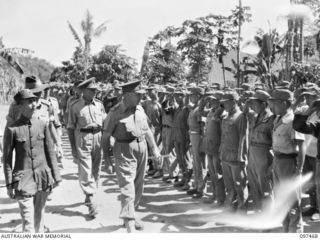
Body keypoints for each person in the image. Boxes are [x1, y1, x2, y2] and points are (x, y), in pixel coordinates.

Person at [102, 80, 161, 233]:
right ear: (127, 95)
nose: (141, 98)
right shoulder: (114, 113)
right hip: (123, 150)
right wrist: (107, 159)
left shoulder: (140, 108)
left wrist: (154, 148)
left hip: (141, 149)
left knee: (138, 186)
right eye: (138, 95)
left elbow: (147, 130)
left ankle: (132, 214)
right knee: (127, 186)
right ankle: (129, 223)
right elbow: (105, 137)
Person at [3, 89, 61, 232]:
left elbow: (50, 152)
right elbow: (7, 160)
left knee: (39, 221)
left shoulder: (42, 125)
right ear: (20, 106)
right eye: (29, 102)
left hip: (42, 178)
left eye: (34, 101)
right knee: (28, 224)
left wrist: (56, 175)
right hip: (23, 181)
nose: (34, 105)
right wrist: (10, 184)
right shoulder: (12, 129)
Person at [67, 77, 106, 218]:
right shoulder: (75, 106)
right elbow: (70, 128)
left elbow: (105, 122)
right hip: (82, 139)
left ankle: (90, 193)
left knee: (96, 169)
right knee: (85, 169)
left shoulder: (100, 105)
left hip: (98, 138)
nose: (95, 92)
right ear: (83, 91)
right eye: (92, 90)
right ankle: (90, 199)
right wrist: (73, 148)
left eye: (95, 89)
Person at [269, 89, 305, 232]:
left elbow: (301, 146)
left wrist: (299, 170)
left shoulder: (293, 121)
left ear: (284, 104)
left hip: (289, 163)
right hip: (278, 160)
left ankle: (295, 231)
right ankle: (286, 227)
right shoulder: (278, 118)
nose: (272, 106)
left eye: (275, 103)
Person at [246, 90, 274, 211]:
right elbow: (244, 113)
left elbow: (274, 143)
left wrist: (272, 164)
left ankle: (268, 215)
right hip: (252, 153)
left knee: (265, 186)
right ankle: (258, 211)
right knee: (254, 184)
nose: (252, 106)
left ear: (263, 104)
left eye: (255, 103)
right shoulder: (255, 116)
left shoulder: (271, 119)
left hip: (264, 155)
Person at [219, 91, 248, 211]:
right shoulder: (225, 116)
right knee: (229, 184)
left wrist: (241, 157)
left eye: (226, 103)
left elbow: (243, 138)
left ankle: (242, 208)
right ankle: (229, 206)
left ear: (234, 102)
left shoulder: (241, 117)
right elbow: (223, 136)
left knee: (239, 184)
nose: (224, 106)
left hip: (236, 156)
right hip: (225, 155)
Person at [187, 87, 206, 198]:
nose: (191, 97)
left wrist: (202, 141)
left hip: (198, 136)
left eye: (193, 95)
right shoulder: (195, 108)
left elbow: (203, 126)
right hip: (193, 135)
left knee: (200, 163)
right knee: (195, 162)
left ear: (199, 96)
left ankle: (201, 188)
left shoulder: (200, 109)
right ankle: (196, 185)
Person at [172, 89, 193, 189]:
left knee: (186, 159)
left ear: (185, 96)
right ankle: (184, 178)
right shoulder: (178, 109)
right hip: (177, 137)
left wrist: (188, 140)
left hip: (184, 138)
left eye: (179, 96)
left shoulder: (187, 109)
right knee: (180, 159)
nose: (177, 98)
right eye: (176, 96)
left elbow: (189, 125)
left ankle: (188, 181)